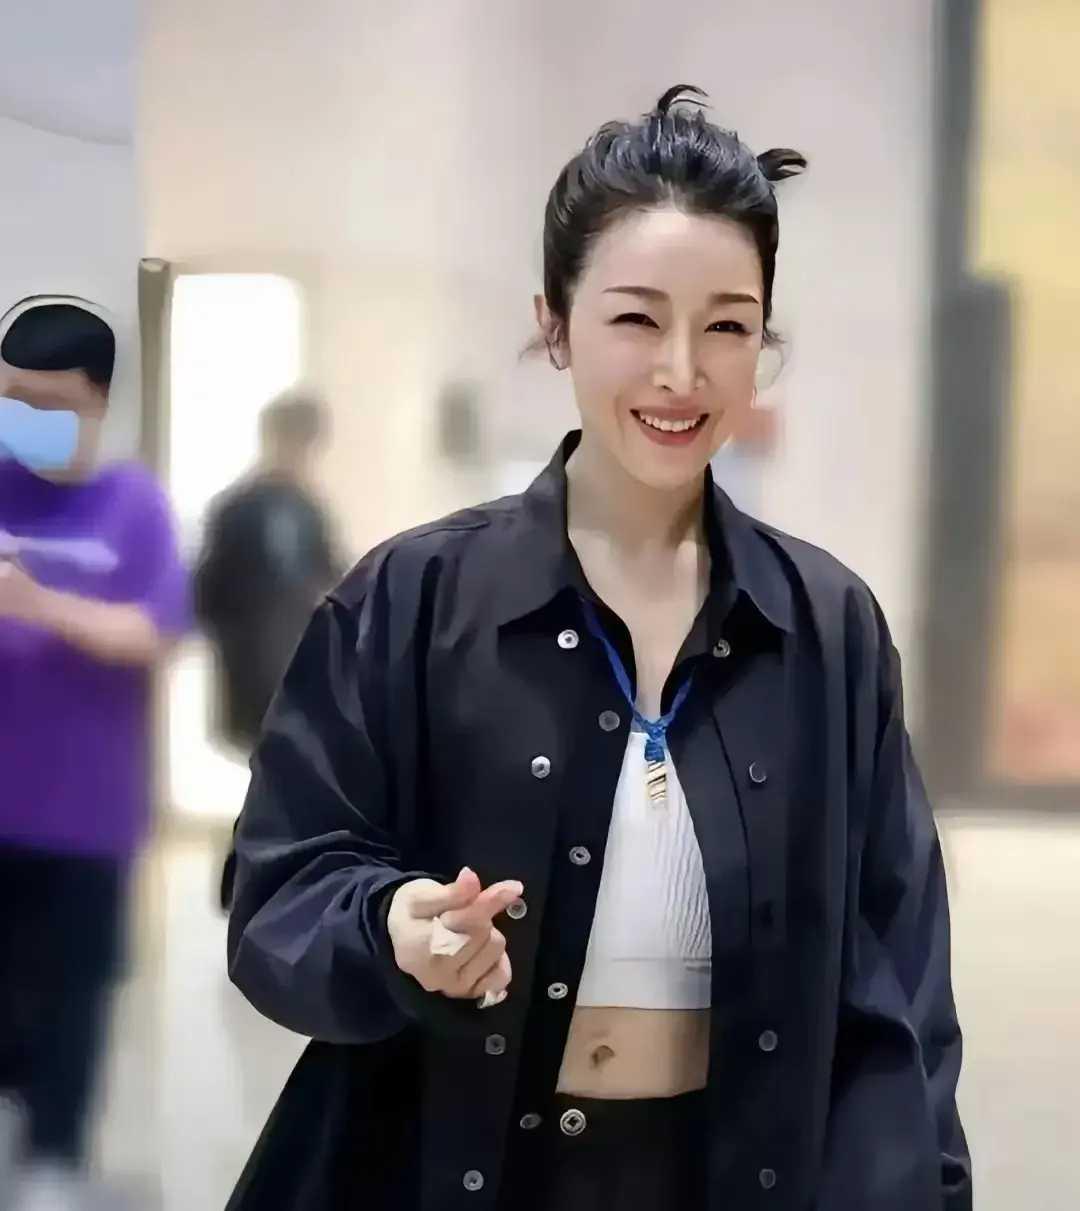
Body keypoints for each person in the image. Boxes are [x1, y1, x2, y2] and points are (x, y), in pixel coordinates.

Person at [225, 86, 972, 1211]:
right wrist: (389, 926)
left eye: (728, 325)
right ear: (554, 323)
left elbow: (900, 982)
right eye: (635, 319)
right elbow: (280, 886)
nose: (681, 370)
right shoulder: (415, 598)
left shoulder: (827, 626)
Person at [0, 298, 188, 1202]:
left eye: (49, 404)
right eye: (12, 400)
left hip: (85, 814)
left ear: (98, 402)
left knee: (71, 999)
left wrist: (38, 604)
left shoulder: (133, 508)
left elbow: (152, 634)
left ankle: (54, 1159)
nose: (26, 420)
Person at [194, 390, 339, 908]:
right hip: (252, 665)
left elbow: (333, 578)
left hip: (296, 663)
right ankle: (245, 877)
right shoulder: (238, 510)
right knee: (274, 768)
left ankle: (257, 876)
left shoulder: (307, 510)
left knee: (284, 774)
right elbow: (207, 593)